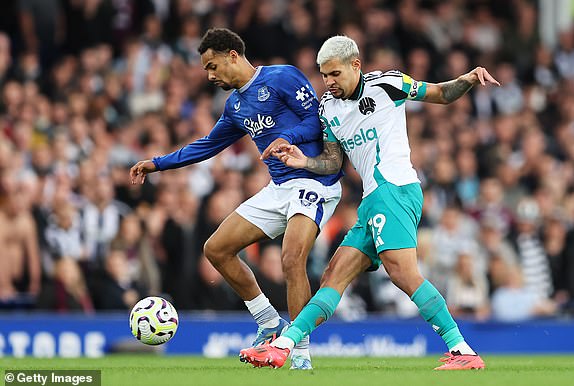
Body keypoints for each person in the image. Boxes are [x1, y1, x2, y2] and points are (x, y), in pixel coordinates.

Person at [240, 35, 500, 370]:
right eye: (324, 75)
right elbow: (334, 162)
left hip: (394, 187)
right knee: (334, 274)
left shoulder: (389, 84)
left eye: (335, 74)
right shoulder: (328, 109)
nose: (329, 82)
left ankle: (461, 349)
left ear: (355, 65)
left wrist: (465, 79)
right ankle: (284, 346)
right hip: (372, 199)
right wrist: (303, 162)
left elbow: (439, 93)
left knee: (402, 271)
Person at [129, 28, 342, 369]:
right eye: (205, 70)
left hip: (314, 180)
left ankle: (300, 352)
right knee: (216, 249)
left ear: (232, 55)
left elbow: (316, 122)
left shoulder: (282, 76)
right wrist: (157, 163)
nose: (210, 75)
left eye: (212, 66)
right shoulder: (235, 106)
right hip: (279, 188)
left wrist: (287, 137)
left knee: (291, 258)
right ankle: (269, 322)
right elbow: (207, 145)